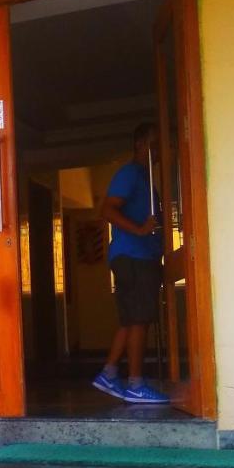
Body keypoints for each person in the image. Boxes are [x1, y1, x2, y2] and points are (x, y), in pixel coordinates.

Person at [92, 122, 170, 405]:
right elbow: (108, 209)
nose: (160, 150)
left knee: (133, 318)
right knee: (139, 319)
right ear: (141, 145)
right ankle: (135, 384)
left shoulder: (144, 179)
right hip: (133, 256)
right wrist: (139, 230)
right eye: (155, 143)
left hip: (140, 257)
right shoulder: (131, 173)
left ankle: (109, 373)